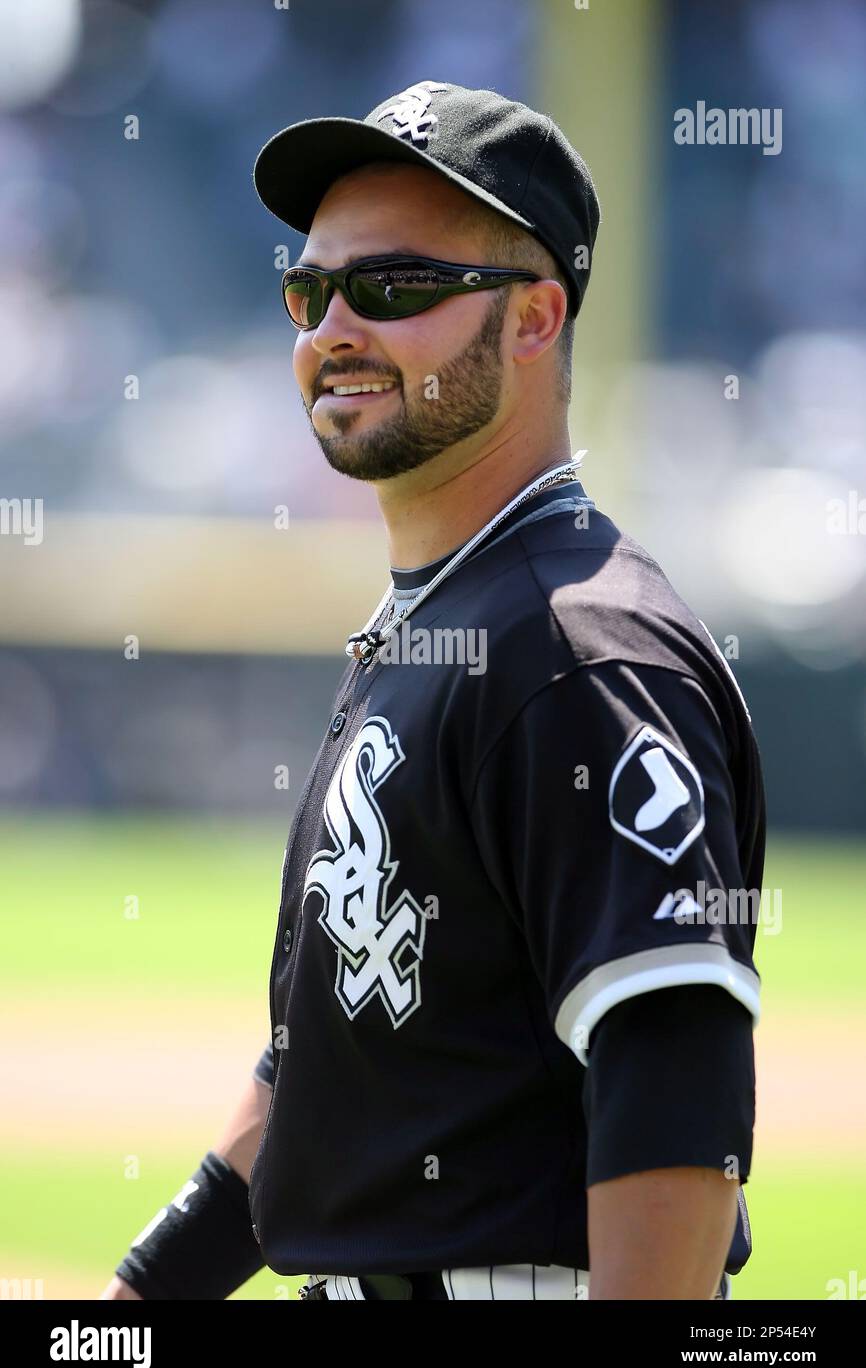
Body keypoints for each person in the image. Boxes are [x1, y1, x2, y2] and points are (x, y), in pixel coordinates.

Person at [103, 80, 763, 1303]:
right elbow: (350, 1046)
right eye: (311, 291)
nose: (333, 326)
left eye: (395, 286)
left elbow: (670, 1064)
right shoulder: (444, 621)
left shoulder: (579, 645)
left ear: (533, 319)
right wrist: (139, 1302)